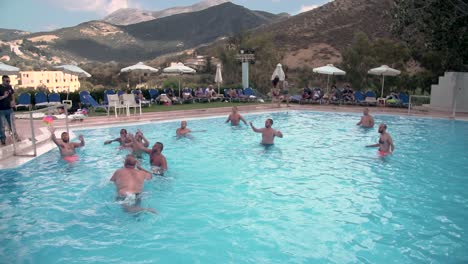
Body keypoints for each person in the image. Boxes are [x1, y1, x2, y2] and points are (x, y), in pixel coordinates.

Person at [0, 75, 19, 145]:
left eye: (9, 81)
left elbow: (12, 94)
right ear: (3, 81)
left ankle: (15, 136)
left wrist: (13, 101)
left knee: (12, 124)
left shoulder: (9, 87)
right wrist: (3, 96)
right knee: (2, 126)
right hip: (1, 110)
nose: (8, 82)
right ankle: (2, 139)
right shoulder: (0, 87)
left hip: (9, 109)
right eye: (7, 81)